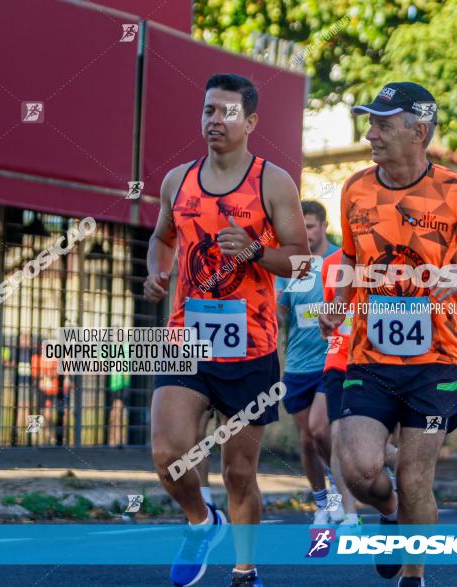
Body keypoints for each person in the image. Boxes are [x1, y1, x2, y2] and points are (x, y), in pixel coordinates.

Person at [319, 81, 457, 587]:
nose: (371, 134)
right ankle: (388, 513)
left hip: (437, 359)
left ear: (418, 131)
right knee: (360, 471)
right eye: (371, 123)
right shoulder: (355, 187)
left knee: (415, 476)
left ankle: (413, 574)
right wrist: (336, 307)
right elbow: (353, 260)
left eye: (383, 125)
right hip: (370, 355)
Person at [144, 73, 309, 587]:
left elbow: (302, 263)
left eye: (227, 112)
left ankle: (244, 569)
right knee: (168, 453)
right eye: (208, 110)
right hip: (185, 340)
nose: (215, 120)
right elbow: (161, 236)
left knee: (239, 473)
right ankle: (200, 523)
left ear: (251, 121)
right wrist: (158, 269)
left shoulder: (273, 182)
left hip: (251, 347)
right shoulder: (178, 180)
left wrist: (257, 251)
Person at [275, 200, 341, 525]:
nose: (306, 232)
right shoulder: (294, 265)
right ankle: (321, 502)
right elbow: (280, 312)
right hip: (297, 365)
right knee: (307, 438)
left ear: (324, 226)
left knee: (321, 429)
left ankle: (341, 494)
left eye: (311, 226)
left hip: (333, 362)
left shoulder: (341, 260)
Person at [320, 247, 362, 526]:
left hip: (375, 362)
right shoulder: (330, 265)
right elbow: (329, 312)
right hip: (338, 360)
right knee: (336, 437)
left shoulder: (388, 260)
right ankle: (350, 515)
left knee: (378, 443)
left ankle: (398, 475)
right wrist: (325, 322)